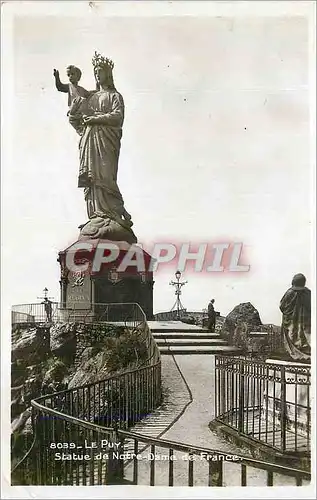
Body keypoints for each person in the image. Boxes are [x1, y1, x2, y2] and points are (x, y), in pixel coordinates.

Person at [68, 52, 132, 230]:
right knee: (93, 177)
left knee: (105, 174)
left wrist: (95, 119)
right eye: (95, 71)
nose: (97, 74)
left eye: (100, 71)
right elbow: (76, 119)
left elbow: (118, 117)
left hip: (106, 141)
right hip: (89, 141)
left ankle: (112, 213)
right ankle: (97, 214)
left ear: (108, 74)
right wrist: (74, 111)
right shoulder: (91, 97)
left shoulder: (115, 96)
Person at [280, 273, 311, 362]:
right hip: (306, 322)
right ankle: (306, 351)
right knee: (304, 336)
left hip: (292, 322)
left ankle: (296, 353)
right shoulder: (308, 293)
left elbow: (282, 306)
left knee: (292, 334)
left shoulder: (290, 292)